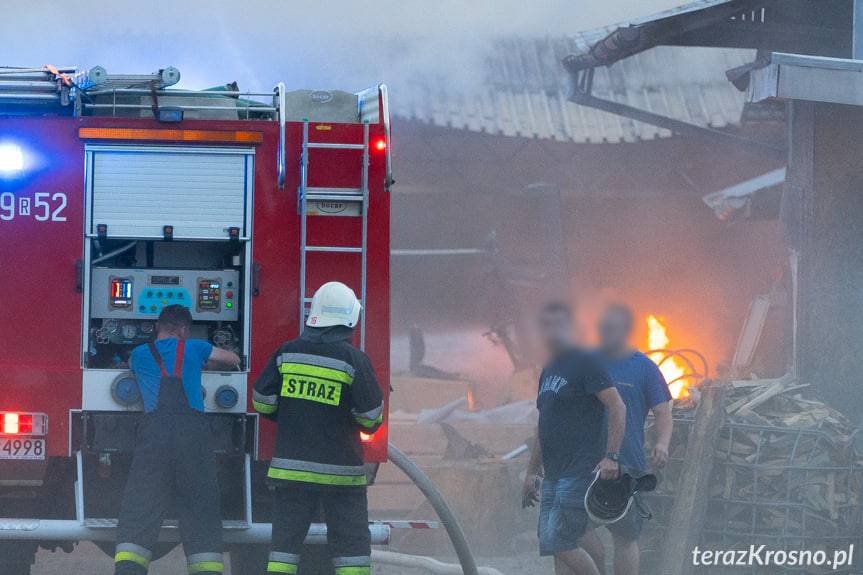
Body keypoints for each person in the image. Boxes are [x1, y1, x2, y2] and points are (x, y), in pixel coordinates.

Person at [253, 281, 384, 575]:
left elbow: (262, 400)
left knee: (283, 551)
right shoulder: (354, 360)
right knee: (352, 552)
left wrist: (290, 415)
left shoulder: (287, 353)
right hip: (341, 476)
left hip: (291, 472)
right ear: (350, 318)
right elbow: (370, 417)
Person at [114, 305, 241, 575]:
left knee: (142, 502)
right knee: (200, 502)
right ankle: (206, 569)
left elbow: (130, 367)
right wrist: (211, 360)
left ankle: (129, 569)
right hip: (192, 436)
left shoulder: (139, 354)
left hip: (154, 435)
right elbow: (232, 359)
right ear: (184, 330)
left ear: (157, 327)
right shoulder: (196, 347)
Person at [522, 302, 627, 575]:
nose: (552, 331)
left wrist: (612, 456)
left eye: (559, 324)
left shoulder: (585, 362)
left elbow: (617, 406)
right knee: (555, 544)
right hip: (554, 474)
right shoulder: (549, 370)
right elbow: (544, 425)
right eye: (547, 325)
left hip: (579, 471)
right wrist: (531, 471)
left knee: (558, 539)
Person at [580, 303, 674, 575]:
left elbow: (663, 413)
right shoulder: (586, 363)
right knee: (574, 528)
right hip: (585, 463)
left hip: (628, 464)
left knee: (625, 536)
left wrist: (662, 443)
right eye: (603, 328)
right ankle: (597, 565)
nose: (605, 333)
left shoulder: (644, 368)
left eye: (611, 328)